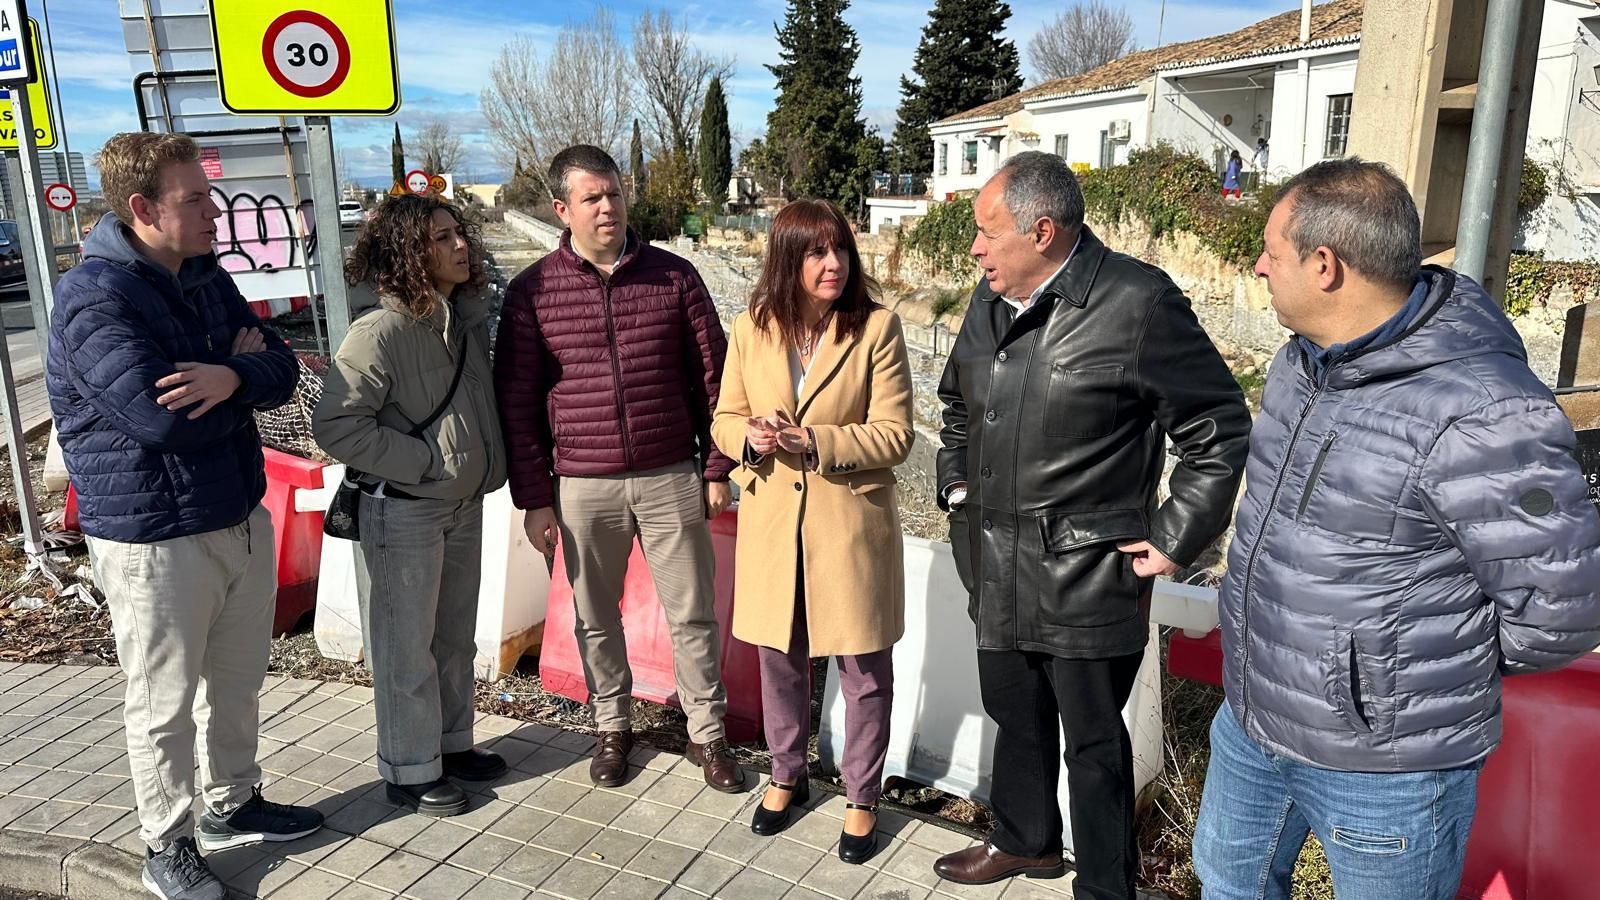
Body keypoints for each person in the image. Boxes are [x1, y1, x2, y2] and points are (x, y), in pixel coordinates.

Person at [1193, 158, 1600, 900]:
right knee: (1227, 883)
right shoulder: (1301, 366)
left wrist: (1398, 677)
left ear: (1325, 266)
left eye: (1271, 252)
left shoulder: (1481, 412)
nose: (1256, 266)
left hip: (1388, 768)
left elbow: (1563, 610)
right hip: (1252, 720)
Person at [931, 151, 1251, 899]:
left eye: (986, 232)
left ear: (1040, 231)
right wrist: (953, 486)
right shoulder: (990, 299)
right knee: (1016, 713)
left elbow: (1218, 427)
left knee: (1096, 744)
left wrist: (1176, 537)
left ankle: (1107, 888)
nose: (974, 249)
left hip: (1086, 573)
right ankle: (1025, 840)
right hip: (994, 563)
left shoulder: (1137, 302)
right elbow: (955, 408)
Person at [47, 132, 321, 900]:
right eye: (195, 198)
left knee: (237, 682)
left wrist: (229, 374)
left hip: (235, 514)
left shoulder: (204, 275)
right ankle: (165, 842)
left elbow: (281, 366)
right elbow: (159, 419)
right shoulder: (96, 298)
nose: (215, 209)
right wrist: (243, 383)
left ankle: (235, 802)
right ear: (142, 208)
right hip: (155, 539)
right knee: (163, 702)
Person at [494, 145, 744, 793]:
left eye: (615, 194)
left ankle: (706, 735)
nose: (608, 207)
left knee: (691, 612)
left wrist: (716, 466)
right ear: (561, 209)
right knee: (595, 615)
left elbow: (714, 377)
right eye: (592, 198)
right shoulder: (533, 293)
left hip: (670, 475)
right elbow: (518, 404)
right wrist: (535, 498)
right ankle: (612, 727)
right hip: (580, 484)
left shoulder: (674, 278)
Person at [710, 199, 914, 864]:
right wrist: (754, 438)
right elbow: (723, 418)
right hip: (773, 521)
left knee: (862, 669)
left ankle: (861, 796)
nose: (832, 264)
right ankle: (786, 774)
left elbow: (896, 434)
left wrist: (813, 439)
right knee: (779, 660)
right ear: (787, 260)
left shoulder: (876, 328)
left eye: (840, 250)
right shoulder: (751, 326)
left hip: (849, 529)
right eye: (815, 252)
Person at [312, 195, 509, 819]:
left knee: (452, 639)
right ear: (409, 254)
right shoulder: (381, 331)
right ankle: (409, 767)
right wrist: (426, 464)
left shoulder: (462, 320)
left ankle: (450, 747)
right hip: (405, 510)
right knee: (405, 646)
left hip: (461, 505)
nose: (461, 246)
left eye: (460, 233)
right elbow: (337, 426)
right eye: (443, 238)